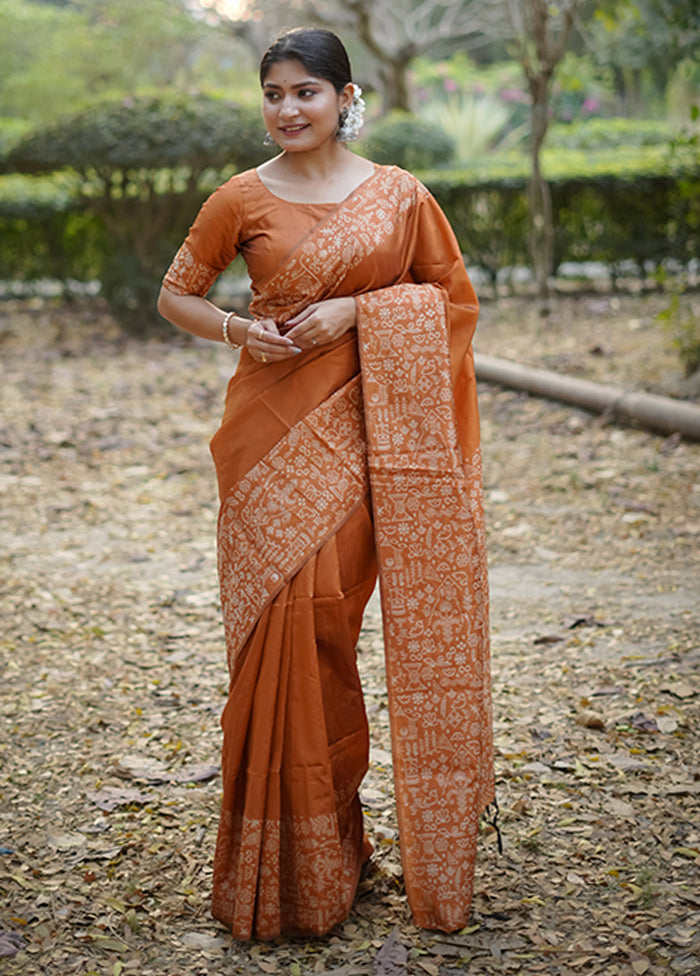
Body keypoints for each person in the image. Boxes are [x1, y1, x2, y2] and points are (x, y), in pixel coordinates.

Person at [157, 26, 494, 941]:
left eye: (306, 91)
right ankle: (288, 868)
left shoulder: (400, 198)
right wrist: (236, 331)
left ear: (346, 97)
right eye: (273, 93)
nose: (287, 109)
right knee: (278, 639)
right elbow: (176, 293)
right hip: (264, 441)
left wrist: (361, 308)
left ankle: (332, 849)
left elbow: (453, 303)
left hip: (365, 445)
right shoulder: (239, 199)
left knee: (328, 630)